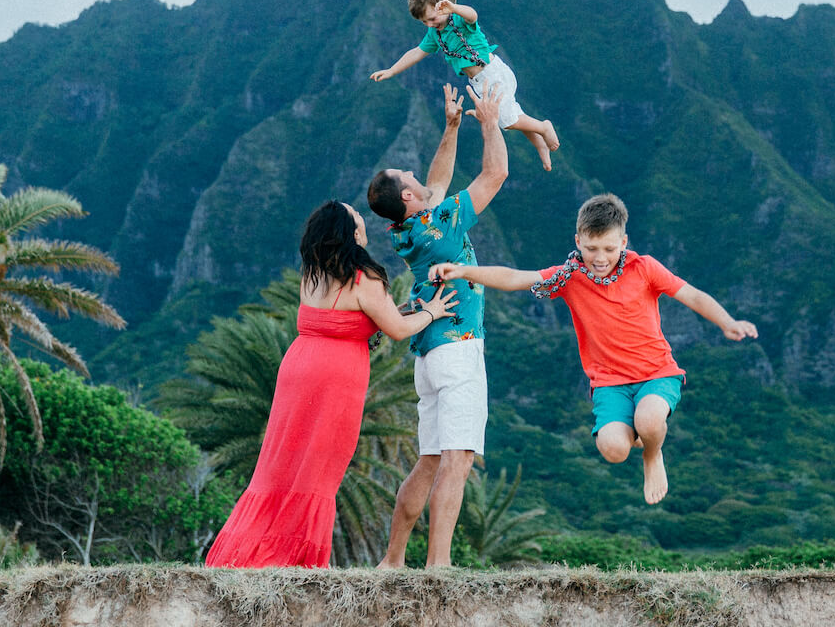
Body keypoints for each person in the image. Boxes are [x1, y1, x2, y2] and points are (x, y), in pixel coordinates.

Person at [429, 193, 757, 505]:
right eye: (592, 248)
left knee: (650, 420)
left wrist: (727, 322)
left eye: (609, 249)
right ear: (578, 242)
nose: (600, 258)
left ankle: (652, 452)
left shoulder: (644, 269)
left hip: (656, 373)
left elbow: (693, 295)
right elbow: (517, 278)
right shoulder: (569, 277)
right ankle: (638, 434)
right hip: (610, 382)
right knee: (614, 449)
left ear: (624, 243)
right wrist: (463, 271)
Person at [204, 200, 458, 569]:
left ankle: (249, 551)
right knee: (319, 469)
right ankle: (296, 558)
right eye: (357, 216)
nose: (362, 219)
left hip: (299, 368)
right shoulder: (362, 277)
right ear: (352, 231)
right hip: (334, 378)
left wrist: (399, 309)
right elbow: (399, 330)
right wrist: (431, 312)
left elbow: (349, 318)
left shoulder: (314, 273)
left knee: (281, 462)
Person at [367, 80, 509, 568]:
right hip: (458, 348)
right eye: (408, 174)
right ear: (409, 195)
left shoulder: (408, 229)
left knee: (428, 461)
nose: (415, 171)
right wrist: (489, 123)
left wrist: (451, 129)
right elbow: (495, 174)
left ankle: (392, 560)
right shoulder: (443, 221)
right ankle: (439, 565)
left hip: (427, 355)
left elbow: (437, 182)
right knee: (458, 458)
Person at [368, 0, 560, 170]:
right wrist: (391, 70)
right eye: (424, 22)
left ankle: (543, 127)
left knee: (505, 120)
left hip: (491, 74)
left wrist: (453, 8)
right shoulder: (435, 34)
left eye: (432, 19)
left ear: (443, 8)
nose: (429, 25)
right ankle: (539, 142)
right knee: (513, 113)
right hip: (479, 81)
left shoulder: (459, 20)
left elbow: (472, 15)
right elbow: (416, 52)